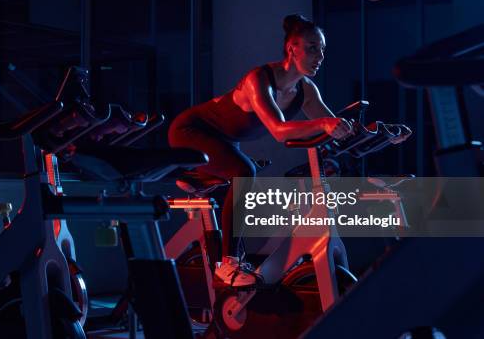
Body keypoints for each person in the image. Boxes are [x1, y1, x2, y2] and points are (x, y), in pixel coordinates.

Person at [168, 14, 409, 286]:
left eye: (322, 50)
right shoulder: (258, 79)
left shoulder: (306, 90)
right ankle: (228, 264)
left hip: (223, 142)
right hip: (191, 132)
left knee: (245, 177)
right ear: (292, 48)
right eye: (312, 47)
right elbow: (280, 131)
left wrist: (383, 136)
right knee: (243, 170)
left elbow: (335, 134)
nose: (319, 55)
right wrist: (326, 124)